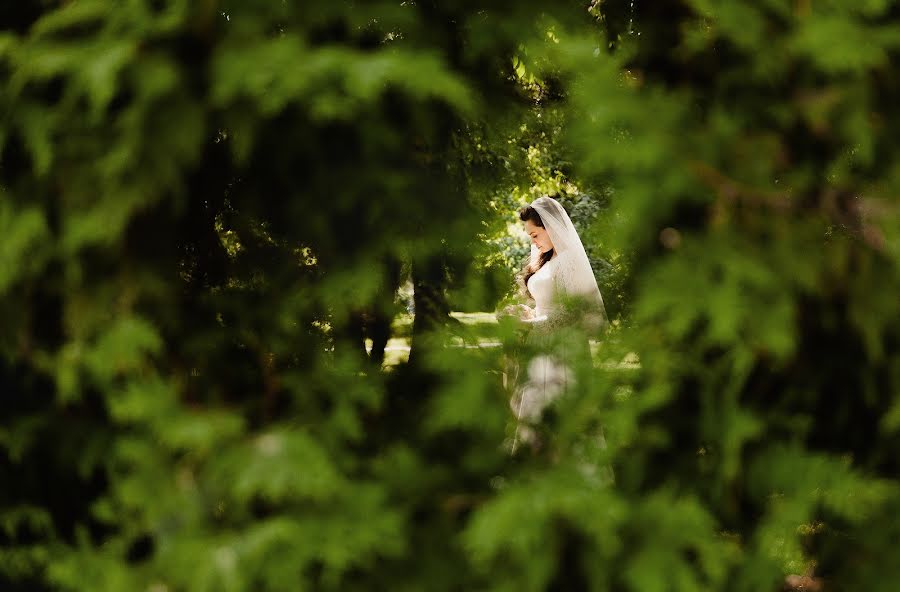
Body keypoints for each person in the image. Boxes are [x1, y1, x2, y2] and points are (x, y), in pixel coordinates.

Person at [499, 196, 608, 452]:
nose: (532, 241)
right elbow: (548, 305)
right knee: (535, 405)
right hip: (541, 342)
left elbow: (573, 313)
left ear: (551, 228)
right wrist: (526, 313)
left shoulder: (569, 260)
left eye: (535, 234)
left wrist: (533, 324)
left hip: (563, 348)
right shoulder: (547, 260)